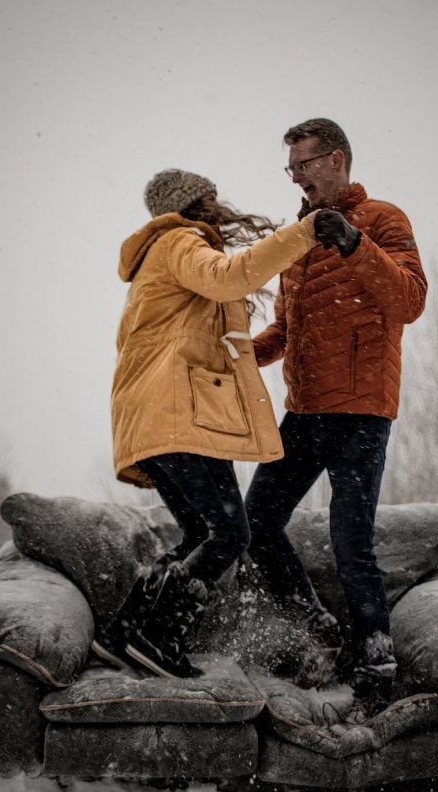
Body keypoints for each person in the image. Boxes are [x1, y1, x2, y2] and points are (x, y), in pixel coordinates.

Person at [92, 167, 323, 679]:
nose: (221, 204)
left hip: (152, 419)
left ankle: (122, 634)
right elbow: (230, 277)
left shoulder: (158, 255)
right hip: (176, 416)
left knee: (200, 531)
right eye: (211, 197)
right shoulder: (180, 241)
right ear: (193, 204)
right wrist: (305, 233)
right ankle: (158, 638)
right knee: (231, 534)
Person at [245, 118, 428, 701]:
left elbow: (409, 300)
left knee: (352, 542)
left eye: (304, 164)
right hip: (304, 413)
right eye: (290, 168)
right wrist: (236, 355)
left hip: (360, 412)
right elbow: (284, 329)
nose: (296, 178)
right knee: (254, 525)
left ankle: (376, 666)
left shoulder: (384, 219)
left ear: (336, 160)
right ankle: (319, 628)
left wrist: (353, 242)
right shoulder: (295, 239)